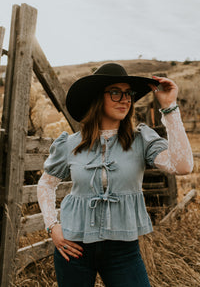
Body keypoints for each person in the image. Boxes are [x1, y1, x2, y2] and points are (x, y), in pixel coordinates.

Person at [37, 63, 193, 287]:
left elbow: (184, 165)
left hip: (123, 250)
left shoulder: (141, 140)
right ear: (97, 98)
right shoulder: (70, 144)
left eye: (128, 93)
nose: (125, 99)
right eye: (116, 92)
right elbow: (46, 184)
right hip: (73, 246)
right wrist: (53, 226)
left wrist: (169, 107)